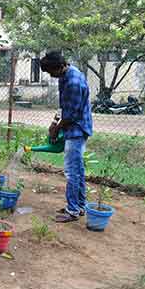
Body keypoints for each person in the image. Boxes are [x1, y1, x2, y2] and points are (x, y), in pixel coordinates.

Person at [40, 51, 93, 223]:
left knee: (71, 171)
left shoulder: (73, 82)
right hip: (72, 127)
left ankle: (72, 210)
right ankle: (80, 206)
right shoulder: (66, 75)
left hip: (77, 129)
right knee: (78, 169)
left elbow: (72, 115)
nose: (51, 75)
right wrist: (54, 122)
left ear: (60, 66)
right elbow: (64, 106)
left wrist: (57, 129)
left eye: (51, 72)